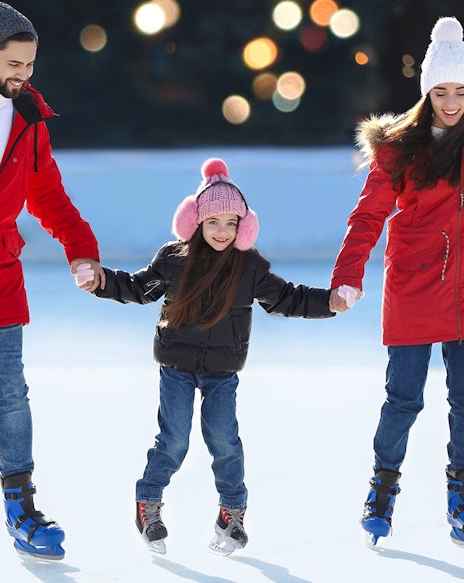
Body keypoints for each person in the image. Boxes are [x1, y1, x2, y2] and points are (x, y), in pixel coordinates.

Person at [75, 157, 336, 556]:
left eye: (231, 223)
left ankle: (231, 513)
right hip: (176, 368)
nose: (222, 231)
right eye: (213, 222)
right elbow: (136, 287)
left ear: (243, 227)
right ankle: (148, 503)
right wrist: (101, 281)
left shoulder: (250, 266)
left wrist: (330, 302)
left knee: (224, 440)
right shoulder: (175, 258)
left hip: (222, 373)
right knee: (174, 440)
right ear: (195, 222)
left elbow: (287, 297)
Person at [329, 15, 464, 549]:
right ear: (427, 91)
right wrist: (347, 275)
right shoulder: (399, 147)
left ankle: (459, 491)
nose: (451, 103)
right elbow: (367, 216)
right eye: (442, 91)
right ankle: (382, 488)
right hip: (412, 283)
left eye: (461, 91)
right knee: (403, 398)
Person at [0, 2, 105, 560]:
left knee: (10, 395)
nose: (24, 74)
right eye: (14, 63)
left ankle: (20, 506)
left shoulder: (27, 118)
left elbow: (48, 197)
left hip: (1, 277)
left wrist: (81, 251)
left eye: (31, 64)